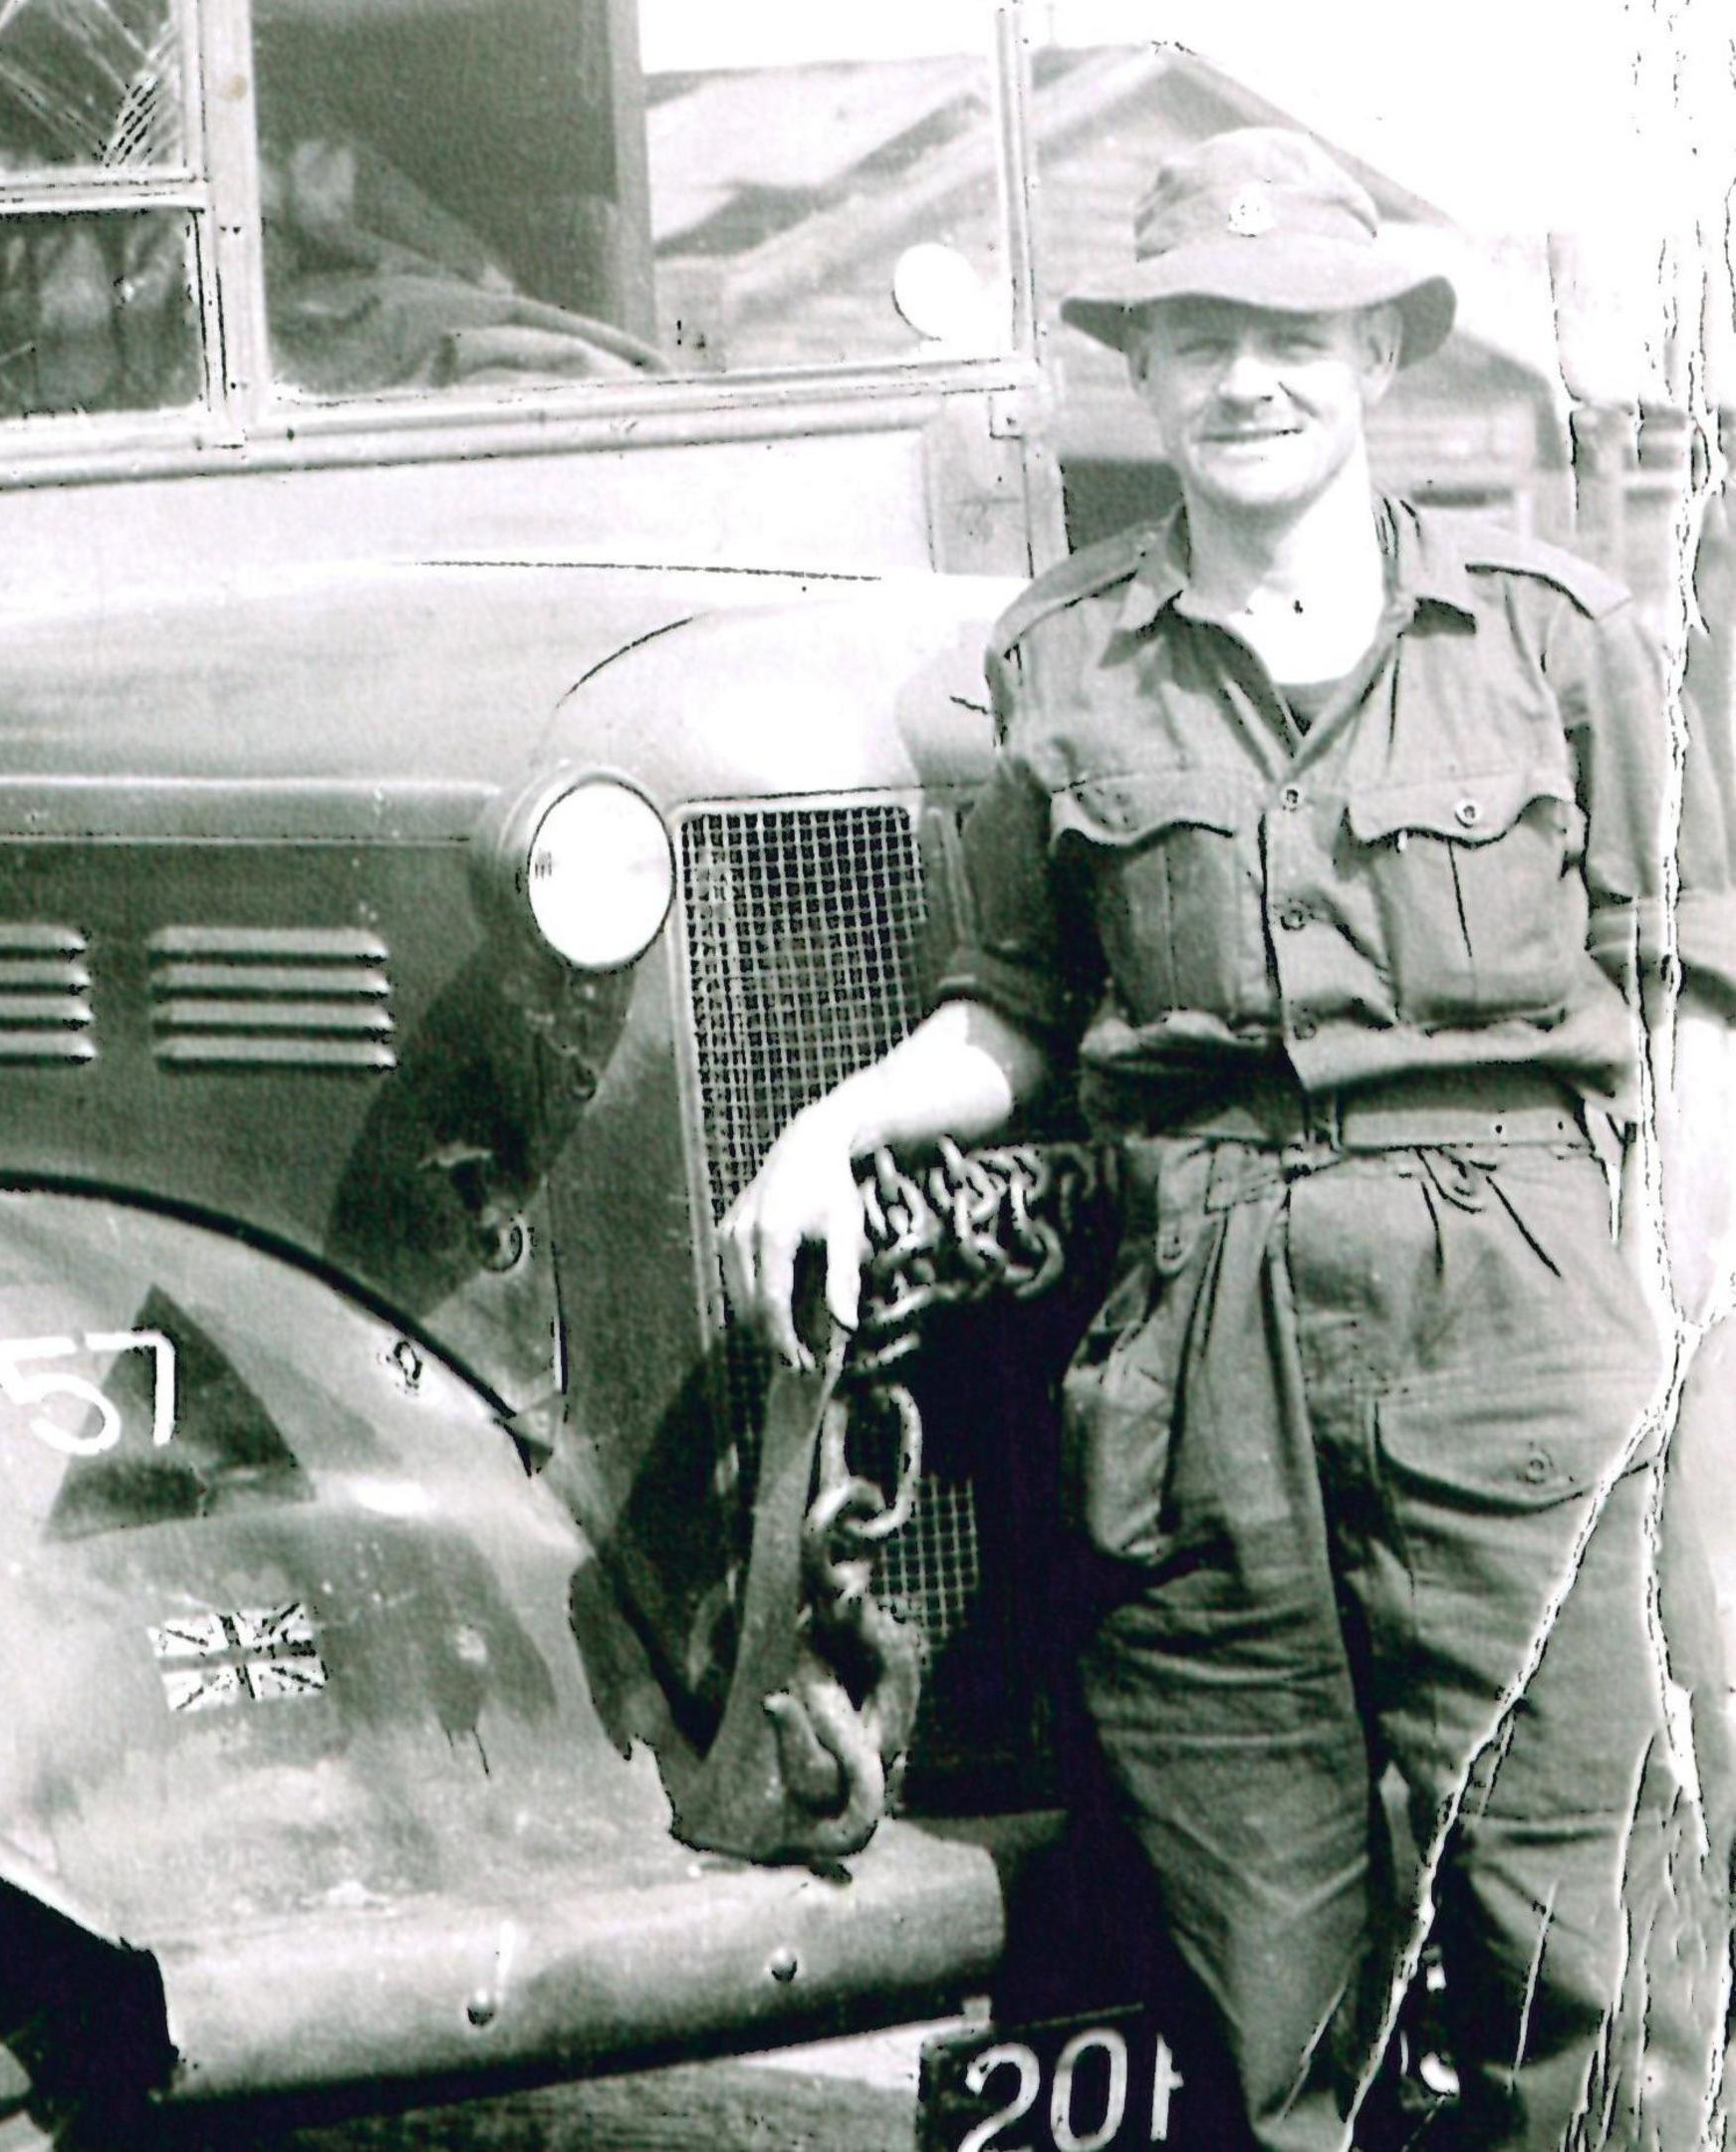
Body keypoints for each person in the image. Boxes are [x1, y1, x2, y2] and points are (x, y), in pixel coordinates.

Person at [717, 129, 1730, 2149]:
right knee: (1261, 1954)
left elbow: (1681, 977)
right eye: (1199, 339)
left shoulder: (1556, 641)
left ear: (1374, 362)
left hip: (1520, 1325)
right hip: (1201, 1353)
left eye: (1289, 336)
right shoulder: (1062, 664)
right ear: (1149, 376)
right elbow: (1016, 1005)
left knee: (1580, 1941)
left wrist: (1671, 1296)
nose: (1246, 379)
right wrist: (830, 1126)